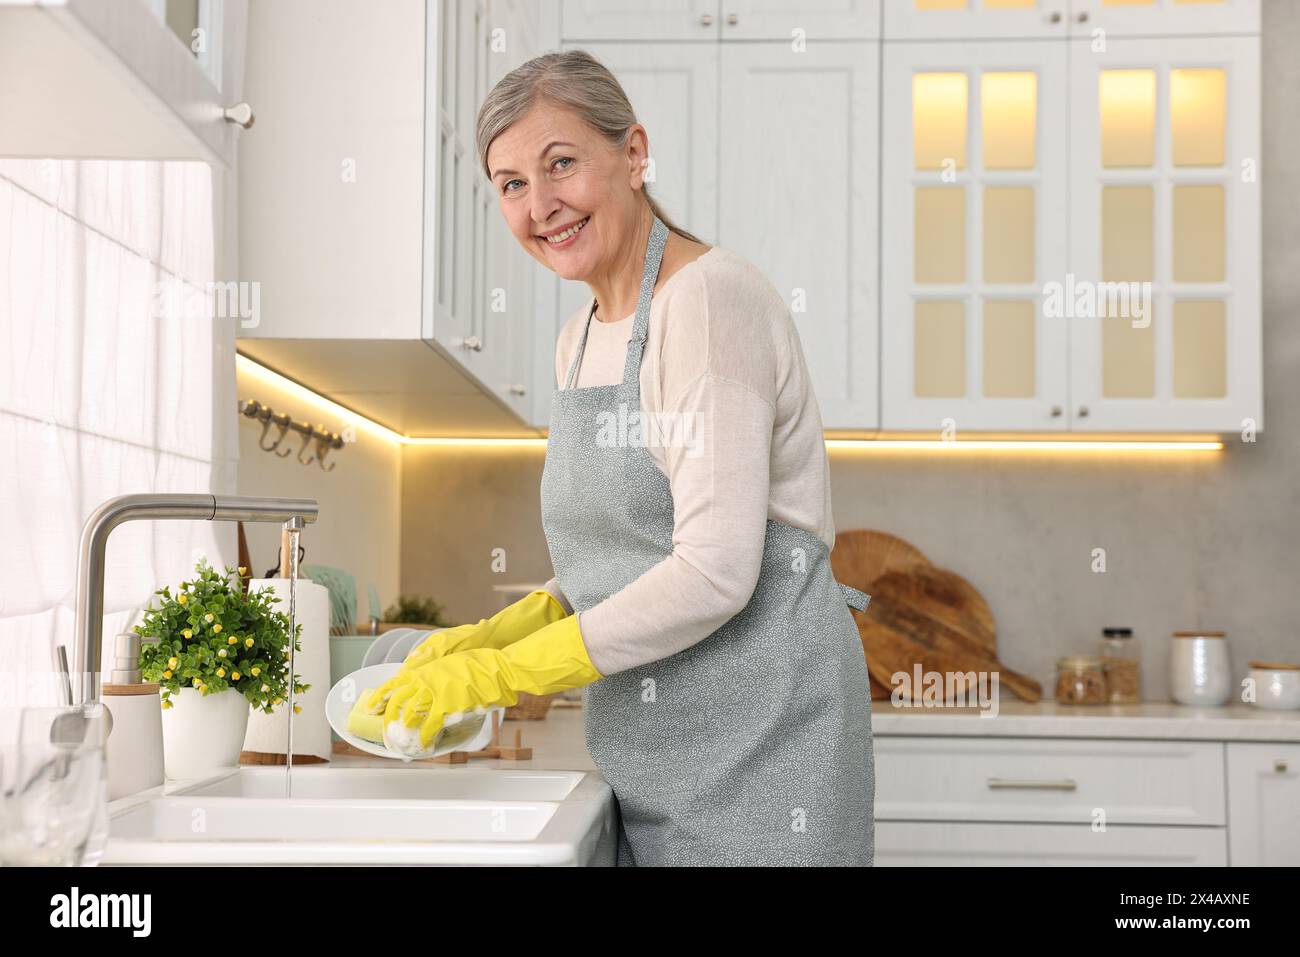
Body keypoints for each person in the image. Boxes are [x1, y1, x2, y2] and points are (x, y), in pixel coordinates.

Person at [365, 49, 874, 867]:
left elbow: (714, 569)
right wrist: (500, 632)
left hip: (766, 747)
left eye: (561, 163)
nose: (541, 204)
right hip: (650, 751)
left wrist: (504, 674)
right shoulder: (577, 339)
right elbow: (622, 556)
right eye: (511, 183)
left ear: (633, 154)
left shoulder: (710, 300)